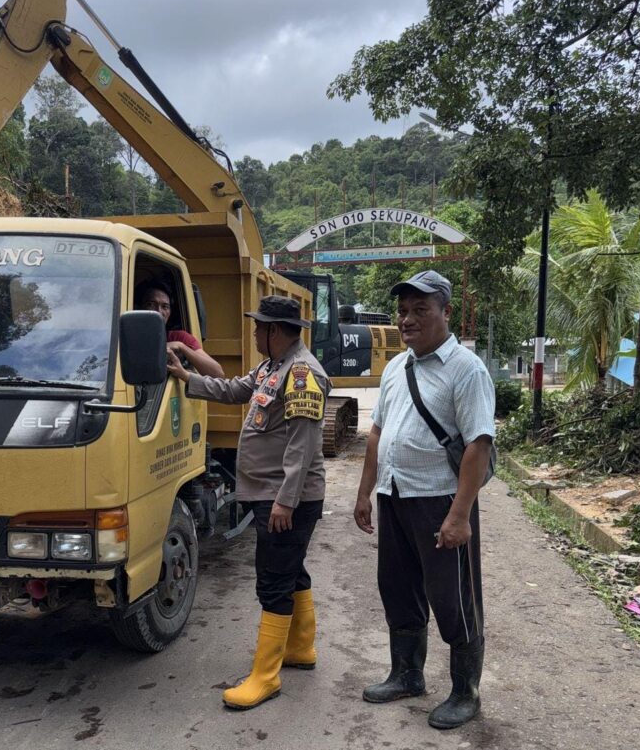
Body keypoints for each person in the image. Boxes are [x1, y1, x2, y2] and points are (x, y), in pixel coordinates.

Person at [167, 295, 330, 710]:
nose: (254, 332)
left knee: (273, 579)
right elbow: (236, 388)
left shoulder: (301, 374)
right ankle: (300, 649)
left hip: (285, 497)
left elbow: (303, 445)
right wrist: (187, 377)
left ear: (274, 331)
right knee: (289, 570)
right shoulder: (273, 367)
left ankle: (266, 676)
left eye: (259, 327)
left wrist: (285, 501)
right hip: (273, 494)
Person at [353, 269, 495, 730]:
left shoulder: (466, 370)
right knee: (397, 588)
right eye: (403, 311)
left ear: (446, 312)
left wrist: (460, 516)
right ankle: (407, 674)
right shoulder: (397, 366)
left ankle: (464, 692)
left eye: (420, 310)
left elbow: (478, 444)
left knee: (453, 598)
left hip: (439, 501)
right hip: (395, 496)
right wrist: (365, 493)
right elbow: (377, 433)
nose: (407, 320)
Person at [137, 278, 224, 377]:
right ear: (139, 308)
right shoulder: (128, 335)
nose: (159, 312)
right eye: (151, 304)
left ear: (170, 312)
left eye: (165, 307)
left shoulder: (179, 338)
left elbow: (218, 374)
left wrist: (182, 347)